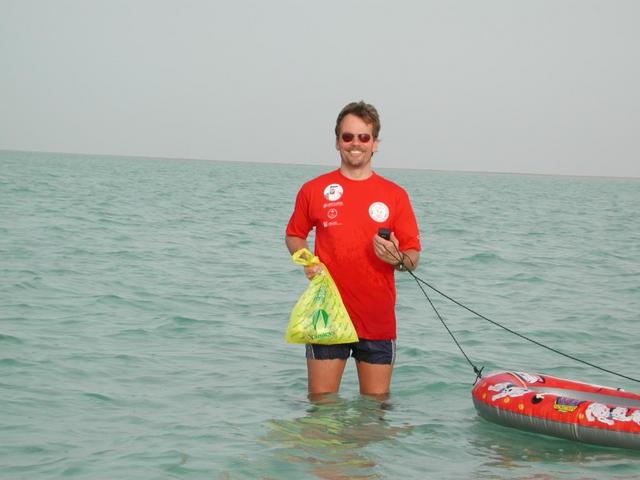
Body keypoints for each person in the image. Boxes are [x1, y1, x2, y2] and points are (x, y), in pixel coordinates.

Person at [285, 101, 421, 398]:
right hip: (327, 315)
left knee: (374, 412)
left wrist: (398, 259)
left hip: (377, 318)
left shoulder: (395, 195)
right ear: (337, 142)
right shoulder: (314, 190)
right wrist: (306, 259)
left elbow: (413, 257)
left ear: (375, 144)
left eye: (364, 137)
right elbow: (294, 234)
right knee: (321, 407)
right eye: (348, 137)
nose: (355, 144)